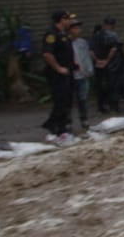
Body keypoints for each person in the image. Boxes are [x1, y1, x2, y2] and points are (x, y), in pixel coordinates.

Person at [40, 10, 75, 140]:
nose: (70, 21)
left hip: (67, 72)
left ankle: (61, 125)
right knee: (60, 100)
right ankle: (55, 125)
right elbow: (47, 54)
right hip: (57, 74)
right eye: (67, 19)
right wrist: (58, 68)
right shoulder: (51, 34)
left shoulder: (63, 34)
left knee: (66, 100)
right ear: (61, 20)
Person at [91, 17, 124, 114]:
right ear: (113, 25)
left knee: (101, 86)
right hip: (112, 65)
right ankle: (114, 107)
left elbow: (91, 50)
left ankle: (101, 106)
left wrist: (97, 60)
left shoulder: (96, 35)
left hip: (99, 65)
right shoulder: (112, 35)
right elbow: (114, 49)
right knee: (113, 86)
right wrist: (107, 60)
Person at [68, 19, 94, 131]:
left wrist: (89, 69)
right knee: (68, 100)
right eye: (75, 28)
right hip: (70, 75)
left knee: (82, 99)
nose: (78, 30)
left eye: (78, 28)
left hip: (82, 74)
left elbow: (86, 57)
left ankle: (84, 119)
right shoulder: (65, 42)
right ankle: (67, 121)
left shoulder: (82, 42)